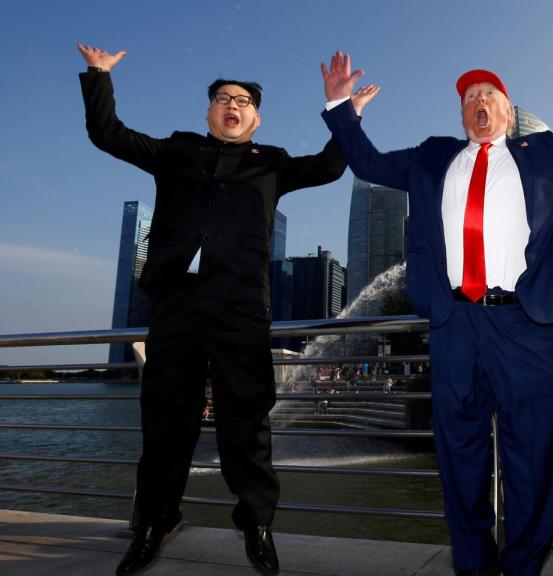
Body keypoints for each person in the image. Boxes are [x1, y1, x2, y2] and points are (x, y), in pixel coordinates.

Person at [319, 18, 553, 576]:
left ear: (509, 112)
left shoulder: (549, 154)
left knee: (531, 456)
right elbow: (365, 163)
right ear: (461, 115)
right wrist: (343, 107)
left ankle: (524, 566)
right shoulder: (431, 157)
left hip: (523, 323)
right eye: (468, 98)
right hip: (453, 325)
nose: (478, 103)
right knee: (458, 455)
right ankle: (473, 564)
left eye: (489, 95)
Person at [77, 43, 370, 576]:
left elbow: (330, 167)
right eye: (222, 98)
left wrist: (341, 108)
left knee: (247, 423)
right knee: (166, 423)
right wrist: (98, 76)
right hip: (176, 307)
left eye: (243, 101)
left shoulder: (271, 164)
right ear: (209, 110)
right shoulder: (176, 151)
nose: (232, 106)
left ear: (256, 118)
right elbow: (108, 134)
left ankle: (257, 525)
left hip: (240, 310)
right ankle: (153, 524)